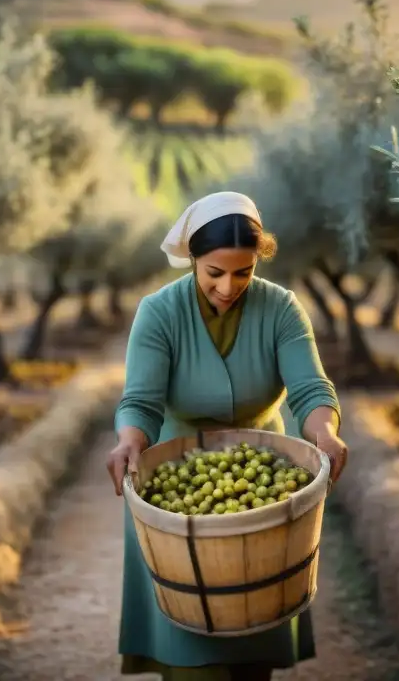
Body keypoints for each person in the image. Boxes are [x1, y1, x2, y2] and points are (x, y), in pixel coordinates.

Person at [106, 191, 349, 681]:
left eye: (243, 272)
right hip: (176, 475)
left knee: (254, 646)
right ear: (193, 258)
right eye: (214, 272)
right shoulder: (159, 313)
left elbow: (310, 389)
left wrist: (325, 431)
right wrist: (131, 440)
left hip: (267, 479)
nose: (228, 286)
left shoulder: (281, 309)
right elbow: (141, 401)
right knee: (192, 659)